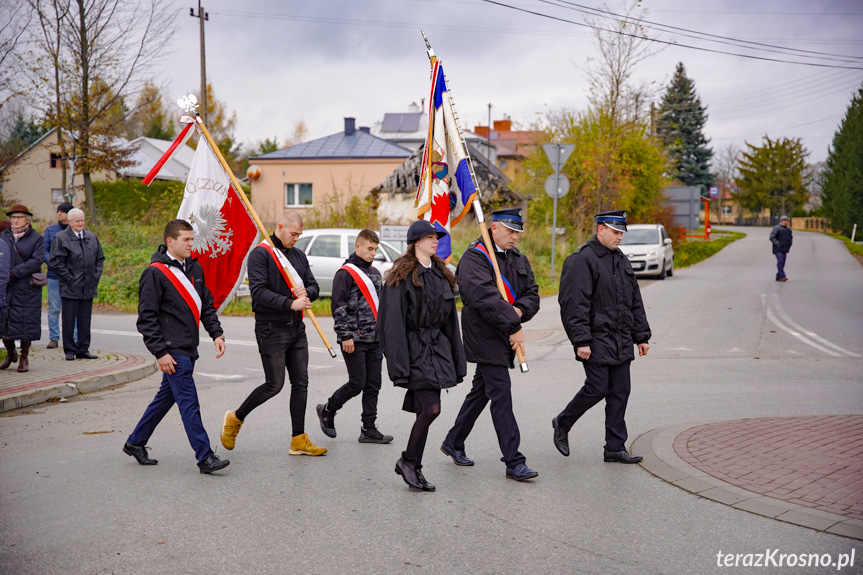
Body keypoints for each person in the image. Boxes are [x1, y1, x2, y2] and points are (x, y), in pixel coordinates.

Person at [441, 208, 540, 481]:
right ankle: (513, 460)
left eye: (518, 233)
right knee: (501, 394)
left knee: (481, 391)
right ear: (493, 228)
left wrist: (519, 312)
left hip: (505, 331)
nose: (515, 238)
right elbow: (483, 298)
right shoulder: (475, 257)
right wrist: (514, 324)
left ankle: (453, 441)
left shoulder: (518, 259)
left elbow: (532, 293)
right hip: (484, 336)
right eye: (510, 231)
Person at [124, 219, 229, 474]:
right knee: (188, 402)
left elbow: (206, 305)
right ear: (170, 241)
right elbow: (146, 318)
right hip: (172, 351)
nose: (192, 244)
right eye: (186, 240)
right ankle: (205, 457)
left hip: (189, 347)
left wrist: (216, 333)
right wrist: (160, 352)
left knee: (165, 398)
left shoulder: (194, 268)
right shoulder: (155, 273)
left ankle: (135, 442)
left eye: (192, 239)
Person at [220, 210, 327, 456]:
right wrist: (291, 303)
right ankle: (235, 418)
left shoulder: (298, 256)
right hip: (271, 328)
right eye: (293, 234)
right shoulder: (260, 255)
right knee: (274, 384)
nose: (296, 239)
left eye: (299, 234)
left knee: (301, 383)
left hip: (296, 328)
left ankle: (298, 440)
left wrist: (307, 294)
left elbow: (313, 285)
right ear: (280, 227)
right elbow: (258, 292)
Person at [553, 210, 651, 464]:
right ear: (601, 230)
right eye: (616, 232)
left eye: (621, 233)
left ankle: (615, 447)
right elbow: (573, 304)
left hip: (620, 339)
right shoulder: (581, 259)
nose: (620, 237)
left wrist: (641, 336)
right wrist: (581, 340)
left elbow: (634, 301)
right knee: (597, 388)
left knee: (620, 391)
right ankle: (563, 422)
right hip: (595, 339)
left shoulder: (620, 259)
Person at [378, 220, 466, 491]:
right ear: (415, 242)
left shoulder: (441, 274)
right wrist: (398, 364)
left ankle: (412, 465)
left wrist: (457, 358)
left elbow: (451, 321)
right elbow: (390, 324)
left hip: (437, 350)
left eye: (436, 236)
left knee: (427, 410)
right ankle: (408, 461)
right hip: (413, 350)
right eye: (429, 237)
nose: (434, 240)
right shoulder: (400, 276)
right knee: (431, 408)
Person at [316, 229, 393, 444]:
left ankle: (368, 429)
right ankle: (328, 409)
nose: (372, 253)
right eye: (369, 249)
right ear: (357, 246)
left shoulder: (376, 273)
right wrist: (345, 336)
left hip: (374, 339)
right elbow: (338, 306)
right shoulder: (346, 273)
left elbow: (380, 305)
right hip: (354, 339)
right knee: (357, 383)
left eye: (375, 250)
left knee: (373, 385)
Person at [49, 208, 104, 361]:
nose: (80, 224)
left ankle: (83, 349)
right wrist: (70, 279)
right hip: (70, 287)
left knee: (85, 320)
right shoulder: (61, 238)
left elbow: (100, 259)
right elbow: (56, 262)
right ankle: (70, 350)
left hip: (88, 286)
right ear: (70, 221)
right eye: (77, 221)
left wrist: (95, 276)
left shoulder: (91, 237)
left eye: (82, 220)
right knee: (68, 319)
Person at [0, 205, 44, 373]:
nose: (16, 220)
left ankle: (24, 356)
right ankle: (10, 353)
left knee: (25, 322)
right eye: (13, 217)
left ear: (27, 219)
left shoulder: (36, 238)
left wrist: (15, 273)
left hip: (26, 287)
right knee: (5, 322)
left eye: (19, 217)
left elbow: (36, 260)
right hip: (6, 285)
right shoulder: (4, 236)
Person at [43, 202, 74, 348]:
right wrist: (56, 265)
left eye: (62, 211)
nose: (59, 214)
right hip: (54, 275)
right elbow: (45, 251)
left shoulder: (75, 230)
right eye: (58, 211)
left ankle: (74, 337)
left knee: (72, 308)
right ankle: (54, 338)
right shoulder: (50, 230)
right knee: (54, 308)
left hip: (72, 277)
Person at [769, 215, 793, 282]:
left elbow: (790, 237)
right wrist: (778, 244)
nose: (785, 222)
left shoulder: (788, 229)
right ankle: (782, 276)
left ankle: (778, 276)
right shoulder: (776, 228)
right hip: (778, 248)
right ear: (781, 221)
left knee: (783, 263)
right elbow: (772, 237)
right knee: (780, 261)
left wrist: (790, 244)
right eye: (784, 221)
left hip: (785, 248)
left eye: (786, 221)